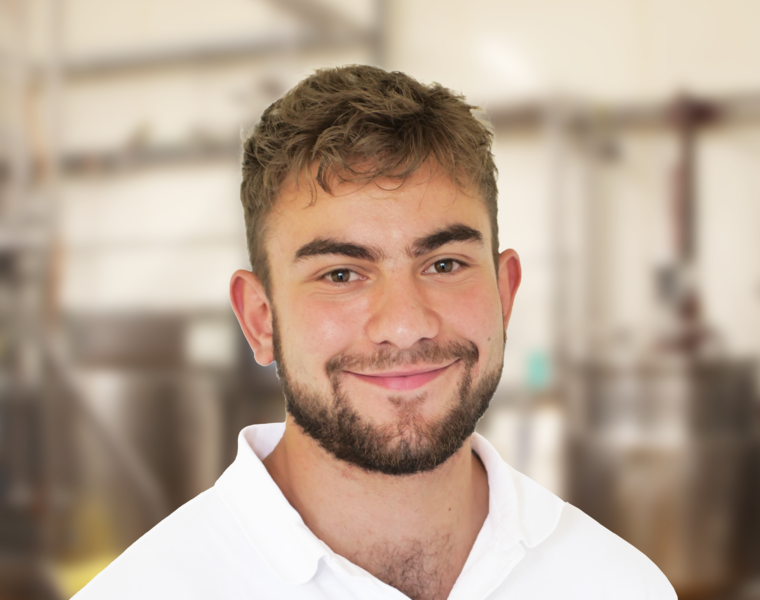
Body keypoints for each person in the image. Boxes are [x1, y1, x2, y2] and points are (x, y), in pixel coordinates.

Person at [75, 65, 676, 600]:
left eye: (444, 264)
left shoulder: (620, 584)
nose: (405, 323)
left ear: (504, 292)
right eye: (341, 273)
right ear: (260, 319)